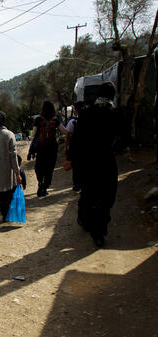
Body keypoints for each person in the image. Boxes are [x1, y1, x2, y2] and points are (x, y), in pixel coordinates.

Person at [69, 82, 123, 247]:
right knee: (106, 195)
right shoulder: (116, 113)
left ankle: (87, 221)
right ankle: (99, 230)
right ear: (113, 95)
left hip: (88, 162)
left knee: (89, 193)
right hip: (106, 160)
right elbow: (123, 139)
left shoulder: (86, 112)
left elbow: (76, 139)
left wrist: (72, 159)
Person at [27, 101, 67, 196]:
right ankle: (45, 186)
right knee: (50, 168)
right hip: (52, 147)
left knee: (39, 166)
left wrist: (33, 146)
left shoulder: (38, 119)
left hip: (41, 147)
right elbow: (64, 131)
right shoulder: (55, 119)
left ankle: (40, 182)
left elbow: (34, 134)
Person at [63, 102, 84, 191]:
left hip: (75, 147)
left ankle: (77, 185)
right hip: (85, 147)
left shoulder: (72, 121)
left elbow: (67, 135)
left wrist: (66, 146)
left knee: (75, 167)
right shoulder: (89, 120)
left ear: (76, 110)